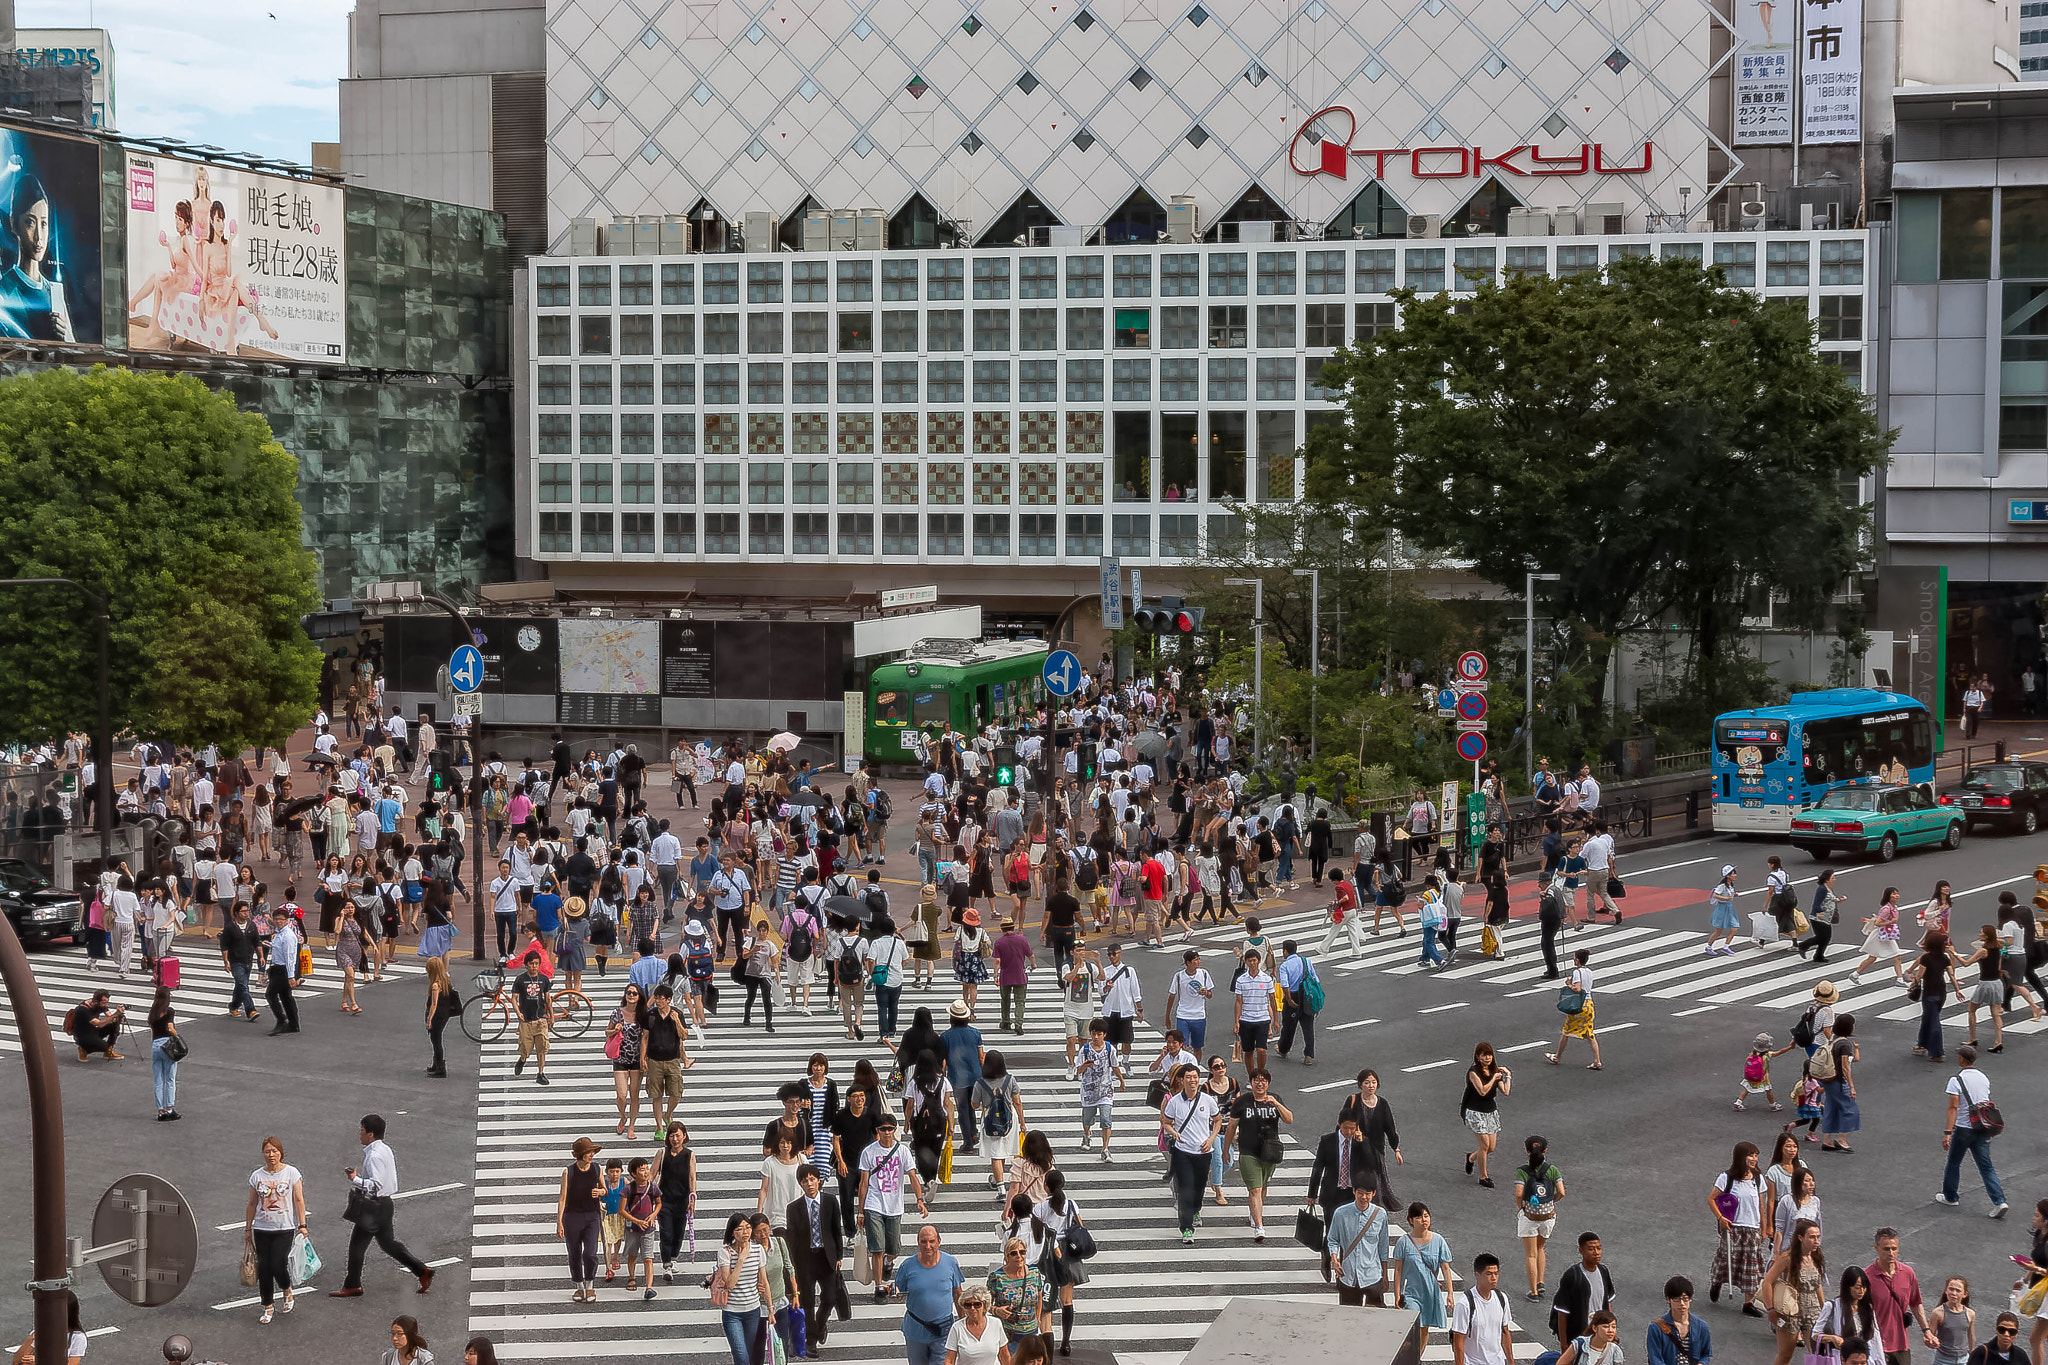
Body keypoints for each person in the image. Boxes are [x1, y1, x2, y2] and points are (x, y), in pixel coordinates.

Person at [331, 1114, 434, 1298]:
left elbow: (376, 1183)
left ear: (370, 1134)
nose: (359, 1133)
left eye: (362, 1130)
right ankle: (421, 1270)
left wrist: (355, 1179)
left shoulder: (374, 1156)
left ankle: (352, 1285)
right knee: (388, 1244)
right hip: (385, 1205)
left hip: (374, 1207)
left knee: (357, 1247)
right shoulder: (385, 1149)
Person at [858, 1115, 930, 1295]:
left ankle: (888, 1262)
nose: (887, 1132)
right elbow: (863, 1183)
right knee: (877, 1248)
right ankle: (879, 1286)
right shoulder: (868, 1152)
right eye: (883, 1129)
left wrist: (919, 1199)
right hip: (873, 1203)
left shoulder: (902, 1151)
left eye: (890, 1128)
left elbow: (912, 1176)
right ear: (877, 1131)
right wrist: (860, 1211)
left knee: (894, 1249)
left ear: (895, 1130)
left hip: (895, 1205)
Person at [244, 1136, 307, 1324]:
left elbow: (298, 1199)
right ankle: (268, 1305)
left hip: (284, 1227)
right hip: (262, 1227)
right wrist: (248, 1228)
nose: (271, 1155)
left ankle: (286, 1289)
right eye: (267, 1151)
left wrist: (302, 1225)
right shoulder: (257, 1176)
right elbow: (252, 1203)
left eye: (274, 1151)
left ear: (281, 1152)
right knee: (264, 1268)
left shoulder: (291, 1173)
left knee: (277, 1264)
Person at [1939, 1044, 2008, 1216]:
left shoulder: (1956, 1080)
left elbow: (1953, 1106)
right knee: (1986, 1166)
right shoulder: (1983, 1077)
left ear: (1961, 1059)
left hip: (1963, 1128)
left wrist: (1948, 1132)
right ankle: (1999, 1201)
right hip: (1981, 1128)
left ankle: (1950, 1196)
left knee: (1954, 1163)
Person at [787, 1162, 847, 1354]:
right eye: (805, 1181)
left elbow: (836, 1230)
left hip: (826, 1257)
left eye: (812, 1179)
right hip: (805, 1260)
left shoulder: (830, 1201)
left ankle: (820, 1325)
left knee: (829, 1297)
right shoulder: (793, 1208)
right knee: (807, 1301)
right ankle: (811, 1339)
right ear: (800, 1184)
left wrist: (839, 1255)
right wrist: (793, 1266)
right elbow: (793, 1239)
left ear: (819, 1180)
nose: (810, 1184)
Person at [1709, 1140, 1772, 1317]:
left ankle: (1748, 1303)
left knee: (1751, 1265)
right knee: (1727, 1258)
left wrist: (1764, 1227)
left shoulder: (1758, 1179)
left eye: (1756, 1155)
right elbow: (1712, 1199)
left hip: (1752, 1228)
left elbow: (1761, 1204)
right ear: (1740, 1157)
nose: (1754, 1159)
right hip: (1732, 1226)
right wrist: (1720, 1218)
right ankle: (1717, 1281)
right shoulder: (1726, 1178)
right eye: (1750, 1155)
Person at [1160, 1062, 1220, 1245]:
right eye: (1188, 1077)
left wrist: (1211, 1140)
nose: (1192, 1081)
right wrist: (1174, 1133)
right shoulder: (1175, 1102)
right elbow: (1166, 1122)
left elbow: (1217, 1120)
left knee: (1199, 1186)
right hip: (1183, 1152)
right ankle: (1186, 1228)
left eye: (1195, 1077)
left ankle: (1196, 1210)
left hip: (1203, 1151)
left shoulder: (1208, 1100)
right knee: (1185, 1188)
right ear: (1182, 1080)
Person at [896, 1223, 968, 1365]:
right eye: (923, 1241)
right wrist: (892, 1294)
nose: (927, 1246)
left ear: (939, 1242)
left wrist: (964, 1321)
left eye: (931, 1241)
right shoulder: (907, 1265)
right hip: (915, 1330)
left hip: (943, 1330)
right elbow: (899, 1292)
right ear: (918, 1243)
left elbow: (958, 1293)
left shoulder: (951, 1263)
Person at [1759, 1219, 1827, 1365]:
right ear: (1800, 1238)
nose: (1816, 1241)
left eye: (1818, 1237)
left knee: (1817, 1354)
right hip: (1790, 1312)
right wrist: (1771, 1310)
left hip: (1812, 1311)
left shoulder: (1815, 1256)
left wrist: (1824, 1308)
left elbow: (1817, 1285)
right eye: (1812, 1237)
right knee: (1785, 1355)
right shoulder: (1787, 1258)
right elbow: (1767, 1282)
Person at [1867, 1227, 1936, 1365]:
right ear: (1876, 1248)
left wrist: (1927, 1330)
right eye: (1886, 1249)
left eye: (1894, 1248)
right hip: (1876, 1344)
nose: (1891, 1253)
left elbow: (1916, 1303)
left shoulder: (1907, 1273)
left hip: (1901, 1345)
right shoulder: (1867, 1276)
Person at [713, 1212, 773, 1365]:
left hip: (753, 1311)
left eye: (747, 1228)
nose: (745, 1232)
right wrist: (740, 1260)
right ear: (732, 1232)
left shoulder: (758, 1250)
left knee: (748, 1353)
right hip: (732, 1313)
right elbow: (730, 1285)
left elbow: (764, 1281)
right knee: (741, 1356)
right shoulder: (725, 1253)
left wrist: (771, 1310)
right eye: (740, 1229)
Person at [1393, 1202, 1455, 1345]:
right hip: (1411, 1293)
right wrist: (1397, 1296)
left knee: (1424, 1328)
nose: (1424, 1220)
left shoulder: (1438, 1240)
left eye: (1426, 1216)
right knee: (1413, 1327)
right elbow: (1398, 1270)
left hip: (1430, 1292)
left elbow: (1445, 1268)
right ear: (1411, 1221)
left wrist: (1450, 1293)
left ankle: (1417, 1359)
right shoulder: (1404, 1242)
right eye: (1419, 1217)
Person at [1514, 1135, 1565, 1301]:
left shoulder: (1522, 1171)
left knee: (1530, 1254)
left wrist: (1519, 1206)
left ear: (1527, 1151)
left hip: (1530, 1216)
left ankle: (1533, 1291)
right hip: (1548, 1216)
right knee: (1540, 1248)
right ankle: (1541, 1282)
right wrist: (1552, 1201)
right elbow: (1562, 1192)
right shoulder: (1552, 1170)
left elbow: (1519, 1193)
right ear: (1545, 1150)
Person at [1552, 1232, 1616, 1349]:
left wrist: (1612, 1330)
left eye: (1599, 1248)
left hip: (1600, 1335)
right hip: (1579, 1338)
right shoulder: (1572, 1275)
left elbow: (1607, 1303)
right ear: (1581, 1251)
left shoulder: (1603, 1271)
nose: (1596, 1253)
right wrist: (1564, 1344)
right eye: (1591, 1249)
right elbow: (1562, 1312)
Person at [1453, 1253, 1519, 1365]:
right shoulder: (1465, 1303)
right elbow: (1458, 1341)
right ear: (1477, 1275)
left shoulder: (1502, 1298)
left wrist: (1511, 1361)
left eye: (1496, 1273)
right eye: (1488, 1274)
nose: (1493, 1278)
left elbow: (1505, 1332)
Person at [1462, 1043, 1510, 1187]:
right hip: (1475, 1111)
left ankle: (1471, 1158)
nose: (1487, 1058)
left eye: (1489, 1055)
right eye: (1484, 1055)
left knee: (1491, 1147)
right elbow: (1482, 1091)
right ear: (1478, 1056)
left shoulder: (1493, 1070)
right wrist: (1494, 1078)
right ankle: (1483, 1177)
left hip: (1490, 1112)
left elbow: (1505, 1091)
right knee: (1484, 1145)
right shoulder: (1473, 1072)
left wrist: (1507, 1076)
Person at [1547, 948, 1600, 1070]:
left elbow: (1577, 989)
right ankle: (1597, 1061)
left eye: (1574, 957)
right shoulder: (1590, 972)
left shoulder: (1577, 972)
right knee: (1590, 1033)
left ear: (1577, 960)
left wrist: (1569, 984)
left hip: (1579, 1006)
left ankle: (1557, 1057)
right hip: (1589, 1004)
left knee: (1566, 1031)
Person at [1646, 1276, 1712, 1365]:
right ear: (1668, 1299)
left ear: (1690, 1299)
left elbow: (1706, 1354)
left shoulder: (1701, 1326)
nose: (1682, 1303)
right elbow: (1655, 1359)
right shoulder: (1656, 1328)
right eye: (1677, 1299)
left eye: (1685, 1299)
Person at [1274, 940, 1319, 1066]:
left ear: (1285, 951)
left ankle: (1283, 1049)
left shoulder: (1284, 966)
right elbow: (1315, 979)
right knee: (1308, 1026)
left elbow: (1285, 985)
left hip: (1293, 996)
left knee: (1289, 1026)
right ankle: (1309, 1054)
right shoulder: (1306, 961)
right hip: (1307, 995)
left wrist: (1288, 1000)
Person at [146, 986, 181, 1121]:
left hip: (155, 1045)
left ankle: (160, 1111)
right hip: (167, 1045)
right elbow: (170, 1028)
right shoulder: (169, 1011)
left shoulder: (153, 1013)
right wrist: (178, 1037)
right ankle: (170, 1109)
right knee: (170, 1079)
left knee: (158, 1080)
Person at [265, 906, 302, 1035]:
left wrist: (291, 976)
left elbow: (290, 957)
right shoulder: (278, 933)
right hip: (277, 968)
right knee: (286, 996)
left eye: (281, 919)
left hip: (283, 969)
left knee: (270, 994)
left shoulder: (288, 936)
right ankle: (293, 1024)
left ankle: (282, 1020)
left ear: (287, 920)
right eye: (276, 919)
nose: (278, 921)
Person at [1928, 1276, 1977, 1365]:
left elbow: (1971, 1336)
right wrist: (1931, 1341)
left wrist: (1972, 1354)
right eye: (1951, 1289)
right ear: (1946, 1291)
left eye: (1958, 1291)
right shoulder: (1938, 1313)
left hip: (1963, 1359)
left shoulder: (1970, 1314)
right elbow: (1929, 1336)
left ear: (1965, 1294)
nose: (1954, 1293)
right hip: (1943, 1360)